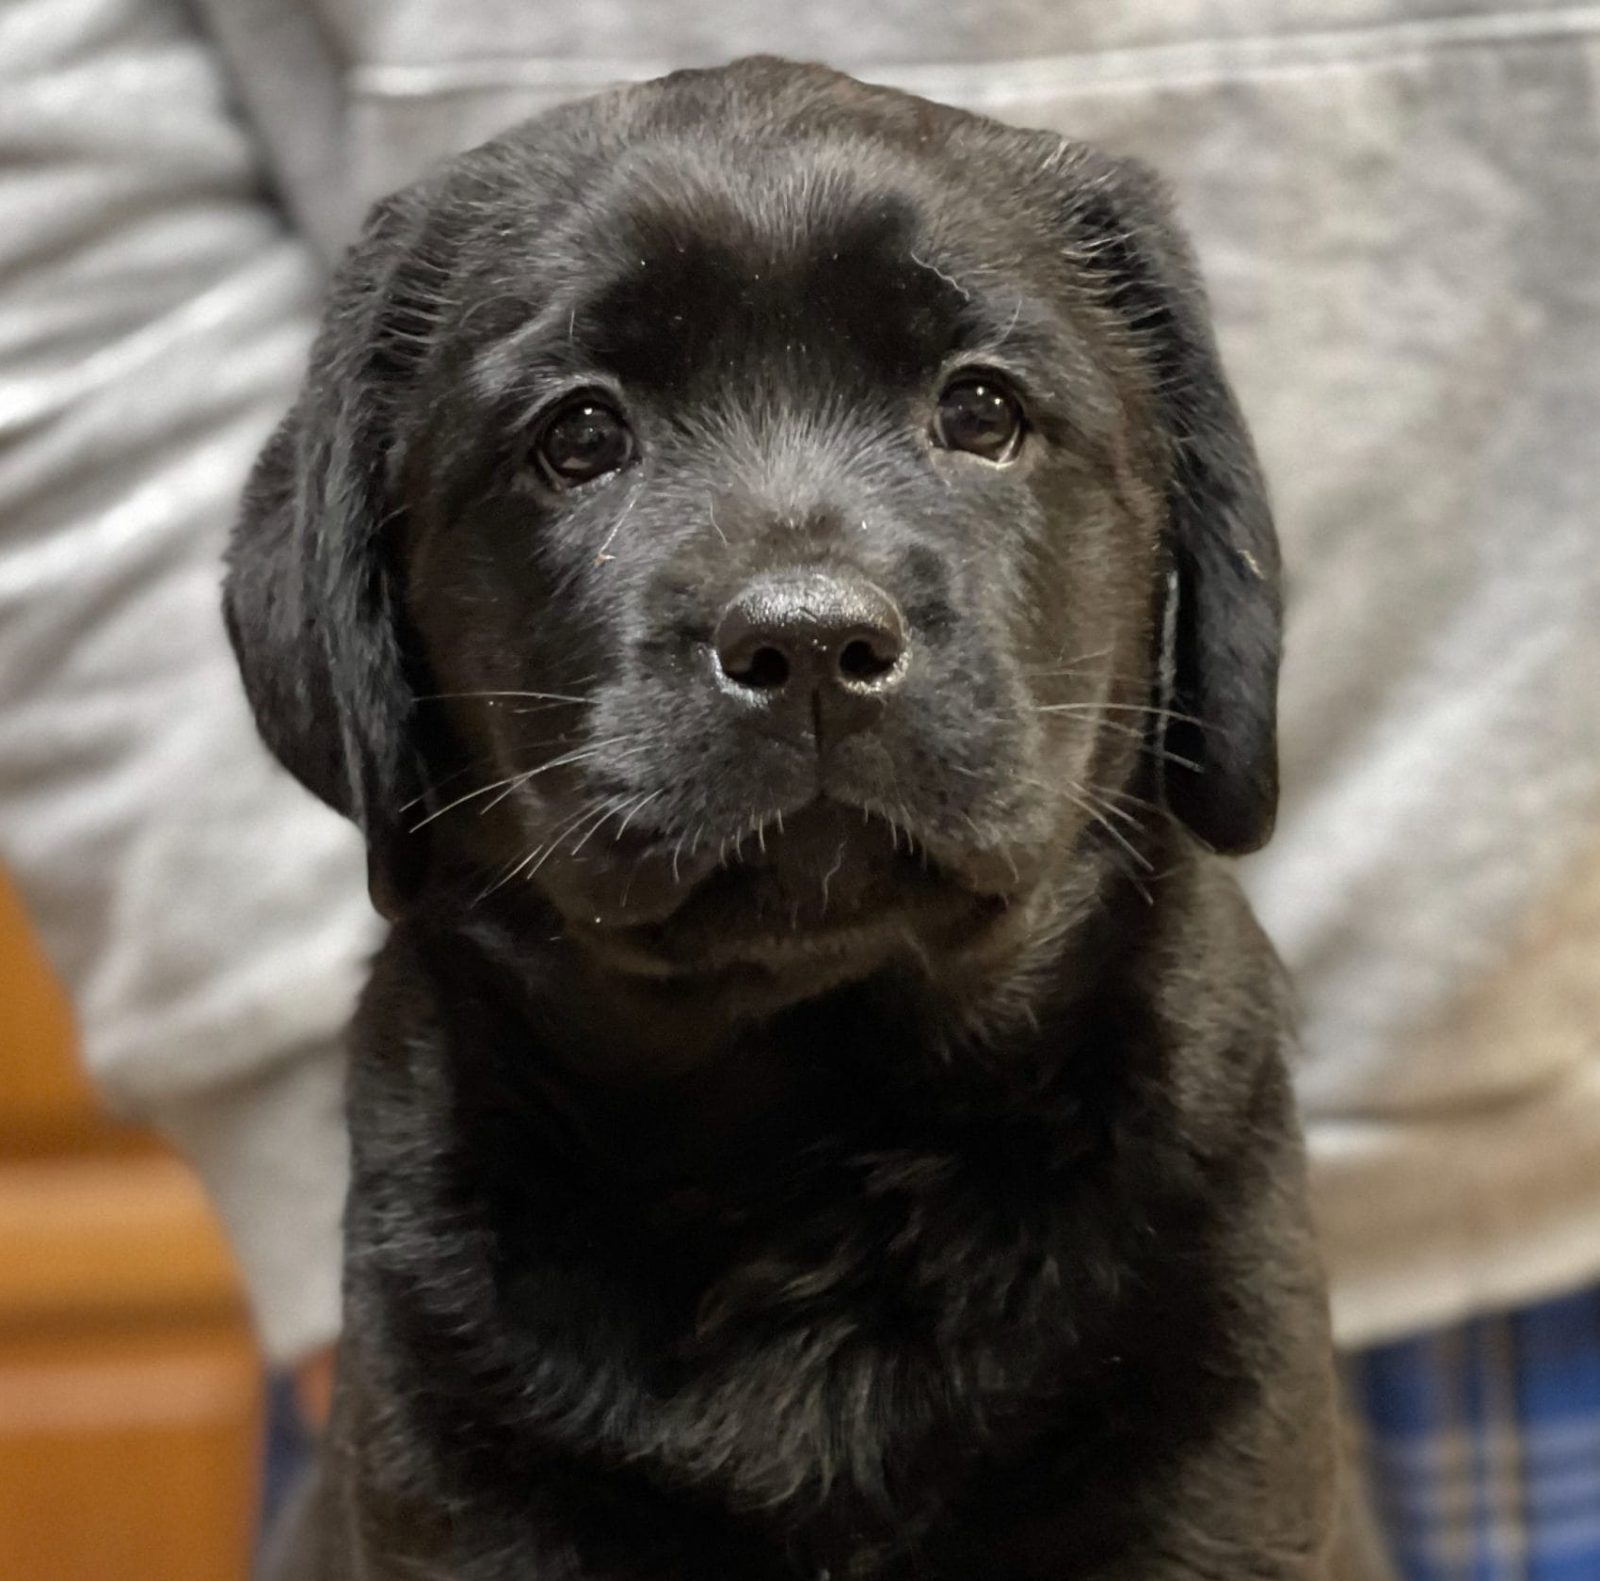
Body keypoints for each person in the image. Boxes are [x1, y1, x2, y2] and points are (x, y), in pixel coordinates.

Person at [2, 2, 1596, 1574]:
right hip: (508, 1212)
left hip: (1501, 1166)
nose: (810, 606)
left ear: (1198, 559)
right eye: (576, 441)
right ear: (366, 613)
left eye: (981, 412)